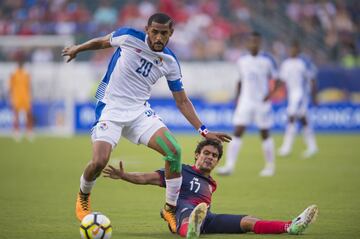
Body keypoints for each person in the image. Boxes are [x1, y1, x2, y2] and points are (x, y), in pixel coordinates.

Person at [61, 12, 231, 232]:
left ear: (171, 34)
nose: (159, 38)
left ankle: (169, 209)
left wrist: (203, 130)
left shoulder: (169, 61)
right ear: (147, 30)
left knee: (174, 151)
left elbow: (182, 100)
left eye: (164, 33)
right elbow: (102, 42)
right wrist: (78, 48)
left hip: (139, 112)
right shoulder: (128, 37)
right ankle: (83, 196)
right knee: (100, 161)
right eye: (155, 32)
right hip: (110, 109)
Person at [103, 139, 318, 238]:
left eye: (214, 156)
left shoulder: (211, 183)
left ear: (217, 162)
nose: (210, 158)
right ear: (197, 155)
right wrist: (124, 176)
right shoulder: (180, 171)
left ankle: (290, 227)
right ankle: (191, 231)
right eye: (206, 153)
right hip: (183, 211)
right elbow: (146, 178)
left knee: (249, 221)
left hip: (207, 217)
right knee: (189, 216)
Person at [217, 31, 280, 177]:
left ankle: (270, 166)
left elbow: (278, 79)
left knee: (264, 133)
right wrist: (237, 98)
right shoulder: (242, 60)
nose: (253, 44)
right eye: (251, 41)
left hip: (261, 103)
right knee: (237, 131)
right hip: (245, 101)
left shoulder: (267, 60)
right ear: (247, 43)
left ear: (260, 43)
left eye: (256, 41)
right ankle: (229, 166)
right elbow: (240, 81)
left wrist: (270, 95)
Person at [278, 41, 318, 158]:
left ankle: (287, 147)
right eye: (291, 49)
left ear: (298, 50)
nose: (292, 51)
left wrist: (314, 96)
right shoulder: (286, 64)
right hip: (292, 96)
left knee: (291, 118)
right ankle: (312, 146)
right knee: (303, 120)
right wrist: (274, 93)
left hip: (301, 95)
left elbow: (312, 79)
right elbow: (282, 80)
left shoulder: (303, 63)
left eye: (294, 49)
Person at [9, 58, 34, 141]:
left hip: (26, 97)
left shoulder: (26, 74)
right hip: (16, 97)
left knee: (28, 115)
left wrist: (31, 97)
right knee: (16, 115)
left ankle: (29, 132)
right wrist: (11, 98)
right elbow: (11, 87)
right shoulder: (13, 74)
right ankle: (16, 132)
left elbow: (29, 86)